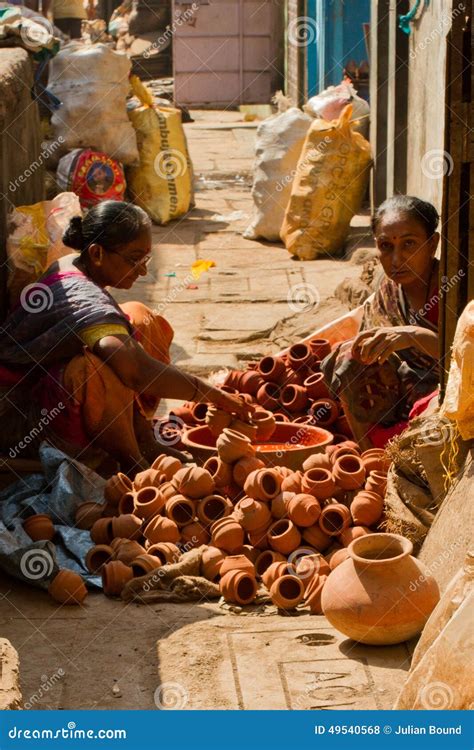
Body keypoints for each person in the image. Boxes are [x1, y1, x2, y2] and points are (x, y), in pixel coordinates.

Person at [0, 201, 252, 473]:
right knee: (95, 369)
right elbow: (137, 372)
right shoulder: (80, 296)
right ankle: (132, 464)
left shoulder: (74, 261)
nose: (143, 271)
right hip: (20, 420)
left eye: (146, 259)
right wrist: (215, 396)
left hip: (44, 388)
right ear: (97, 253)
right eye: (134, 259)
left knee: (139, 317)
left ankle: (142, 437)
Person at [321, 195, 440, 448]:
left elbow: (465, 358)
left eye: (410, 244)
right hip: (398, 397)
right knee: (350, 357)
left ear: (433, 244)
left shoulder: (455, 290)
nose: (397, 260)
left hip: (446, 398)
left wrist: (414, 336)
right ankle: (372, 457)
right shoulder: (387, 290)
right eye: (386, 246)